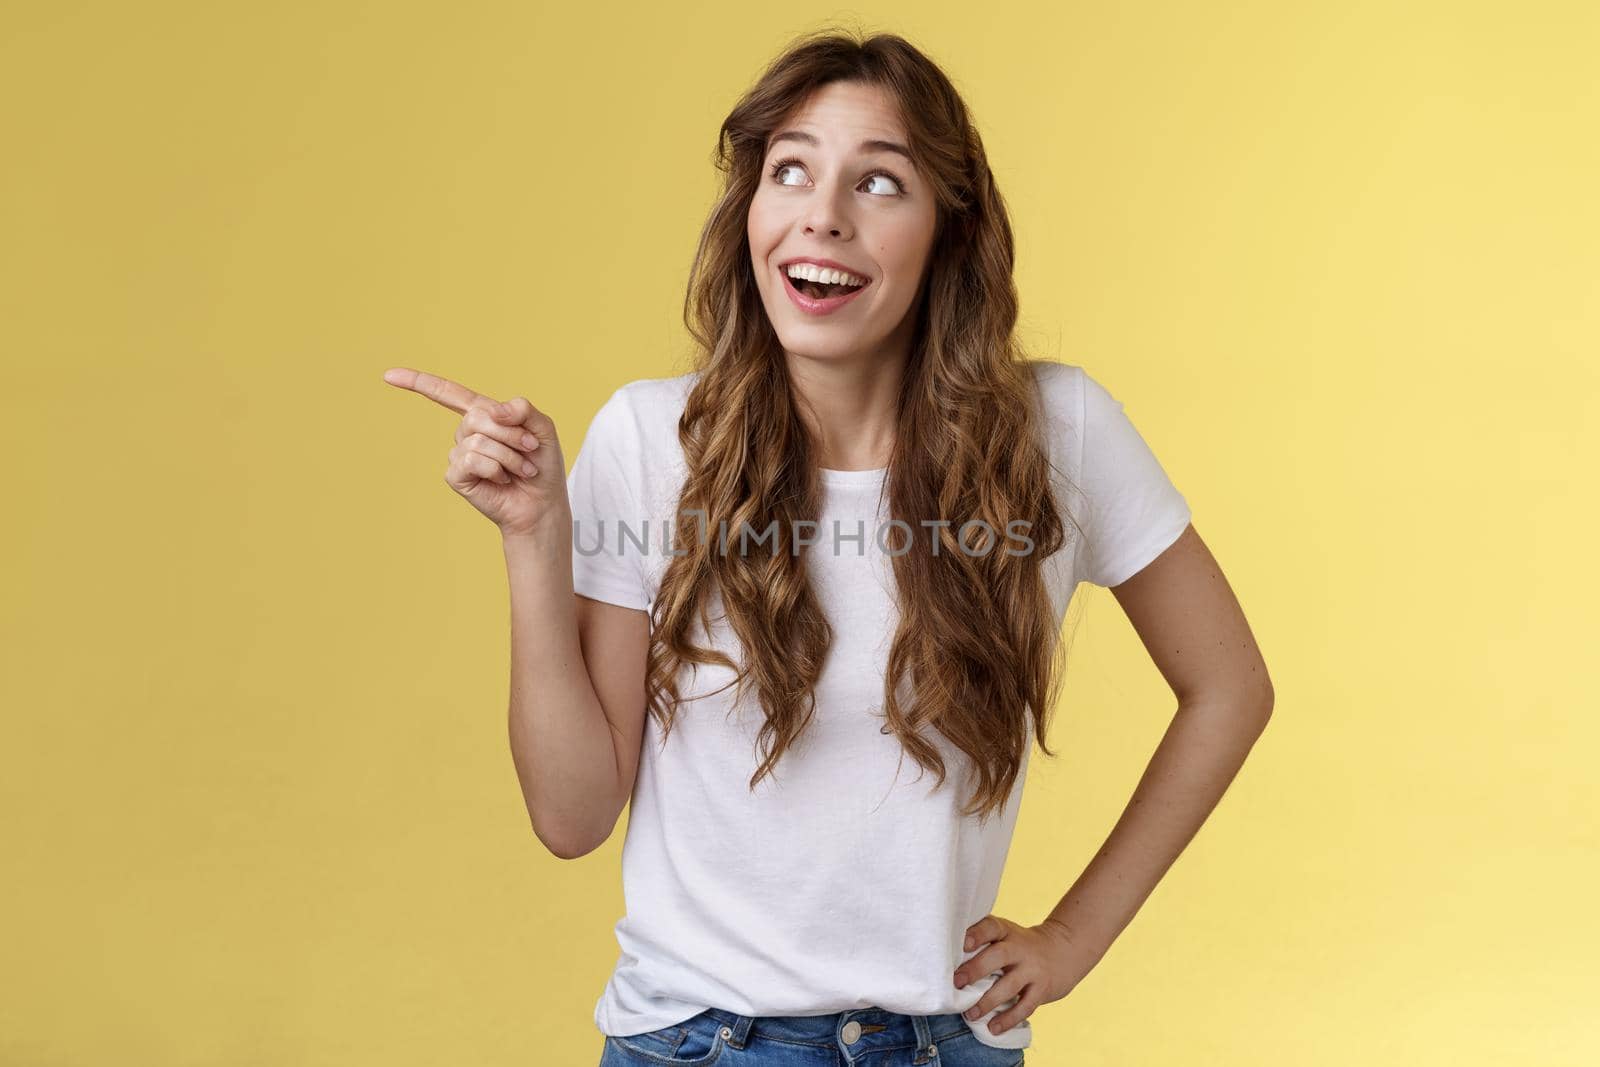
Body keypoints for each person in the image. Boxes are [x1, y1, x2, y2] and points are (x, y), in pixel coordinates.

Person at [383, 28, 1273, 1067]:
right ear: (750, 212)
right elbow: (573, 814)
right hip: (702, 1040)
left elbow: (1229, 686)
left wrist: (1074, 936)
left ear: (947, 230)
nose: (823, 215)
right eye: (789, 170)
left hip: (952, 1043)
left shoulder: (1054, 432)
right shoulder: (649, 439)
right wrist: (535, 540)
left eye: (880, 182)